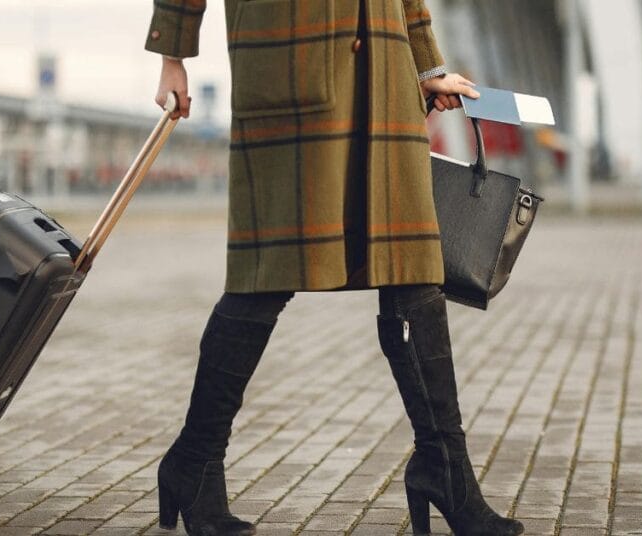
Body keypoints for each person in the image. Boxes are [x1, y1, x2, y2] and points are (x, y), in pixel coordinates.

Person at [145, 1, 524, 535]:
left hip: (386, 80)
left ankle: (446, 472)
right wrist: (173, 52)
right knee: (265, 274)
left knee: (413, 269)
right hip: (292, 66)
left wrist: (428, 66)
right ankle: (194, 462)